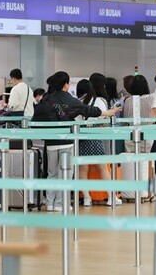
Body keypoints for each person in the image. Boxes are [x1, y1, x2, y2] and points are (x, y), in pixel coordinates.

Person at [32, 71, 121, 212]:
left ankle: (50, 202)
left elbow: (35, 119)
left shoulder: (46, 100)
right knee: (65, 173)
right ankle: (61, 204)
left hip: (50, 143)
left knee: (52, 173)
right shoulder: (70, 100)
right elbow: (88, 110)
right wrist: (108, 112)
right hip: (66, 142)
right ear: (66, 85)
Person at [76, 76, 122, 207]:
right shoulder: (99, 100)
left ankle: (86, 198)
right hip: (95, 136)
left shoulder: (80, 100)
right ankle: (111, 197)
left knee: (83, 169)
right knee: (102, 167)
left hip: (81, 136)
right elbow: (104, 119)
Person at [123, 75, 154, 154]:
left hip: (131, 135)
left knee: (131, 162)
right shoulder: (152, 99)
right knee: (148, 161)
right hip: (148, 134)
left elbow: (125, 118)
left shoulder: (128, 100)